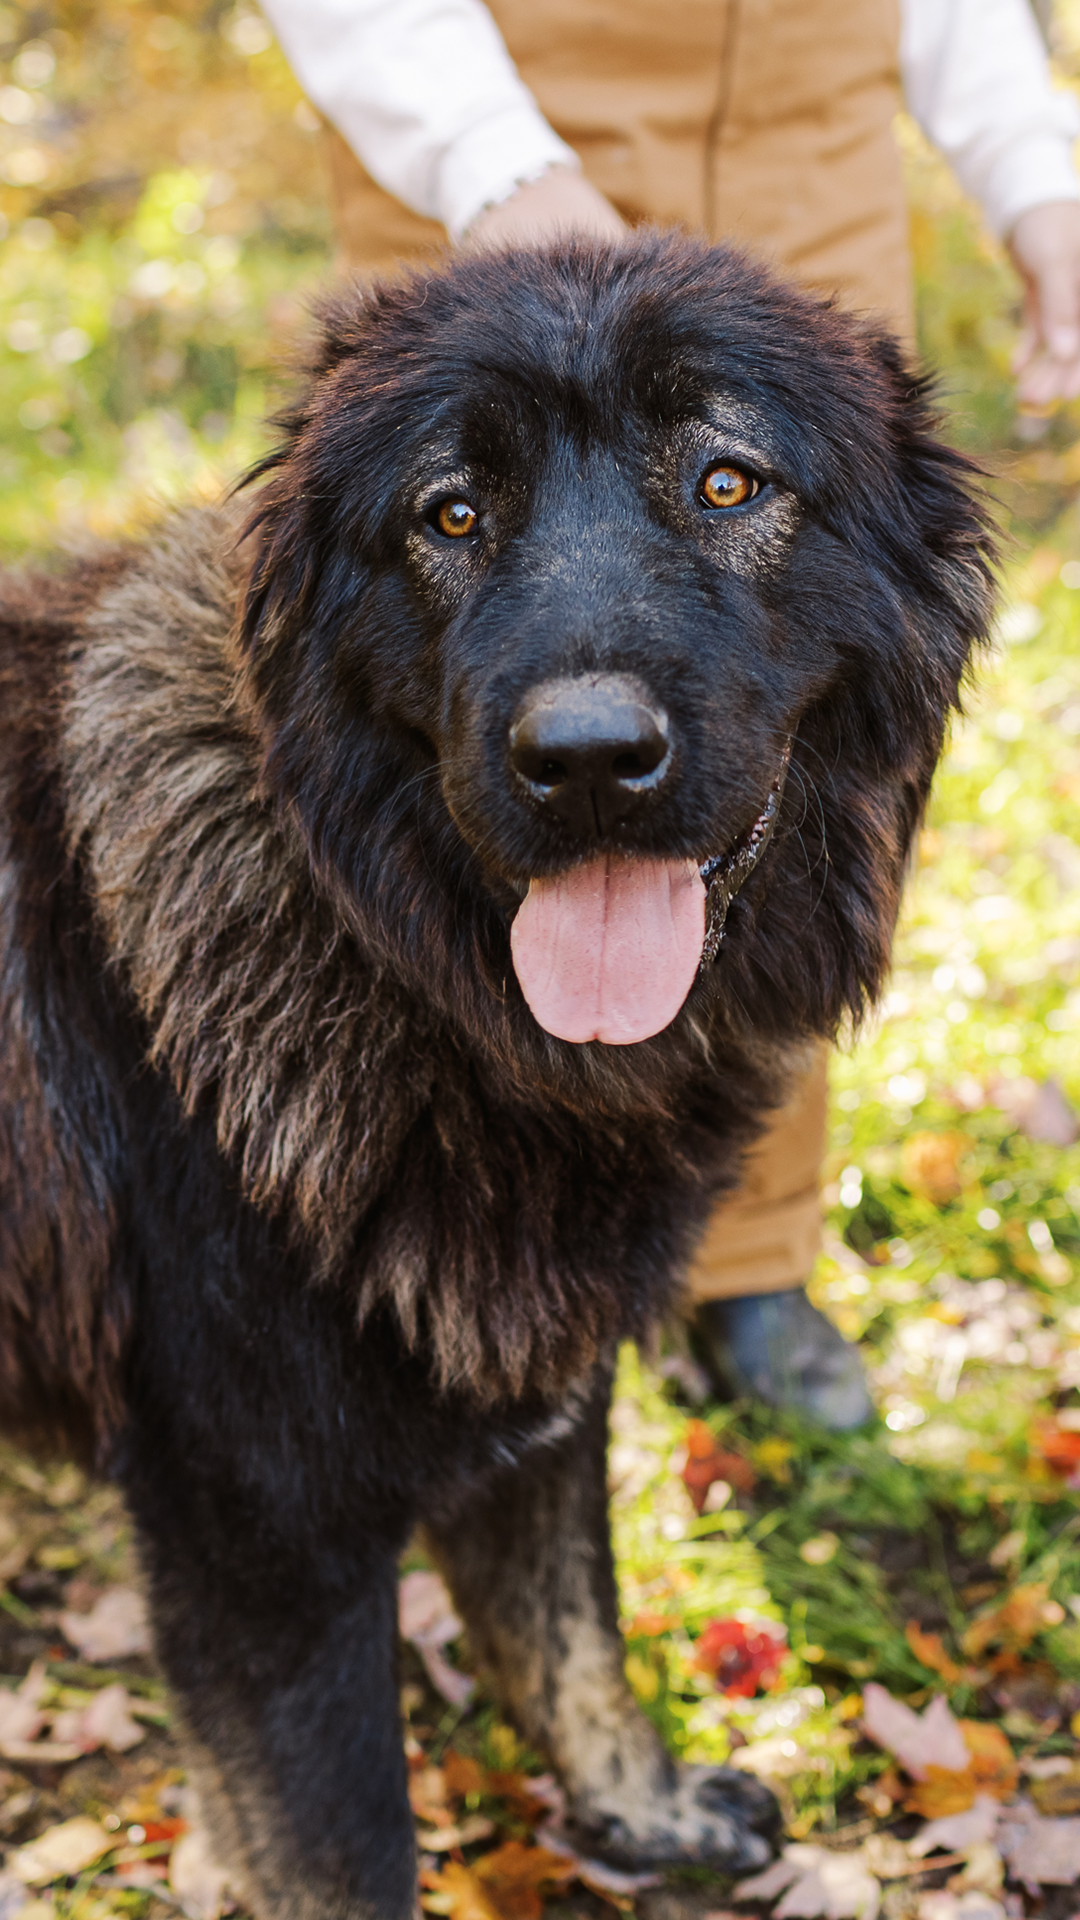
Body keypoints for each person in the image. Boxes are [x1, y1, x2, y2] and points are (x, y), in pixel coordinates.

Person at [259, 0, 1080, 1427]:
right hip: (481, 167)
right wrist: (490, 159)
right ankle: (442, 1308)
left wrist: (1035, 167)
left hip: (805, 181)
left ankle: (746, 1259)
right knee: (449, 807)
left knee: (809, 767)